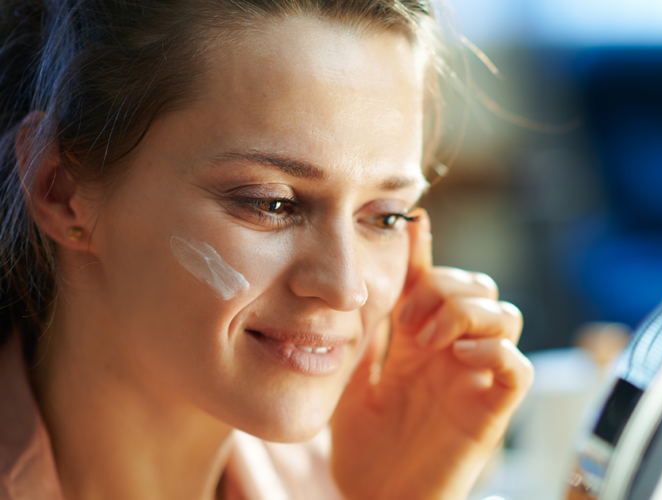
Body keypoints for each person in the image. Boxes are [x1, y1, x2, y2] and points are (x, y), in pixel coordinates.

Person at [0, 1, 533, 499]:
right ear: (60, 189)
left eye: (385, 216)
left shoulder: (351, 473)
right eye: (271, 204)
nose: (347, 289)